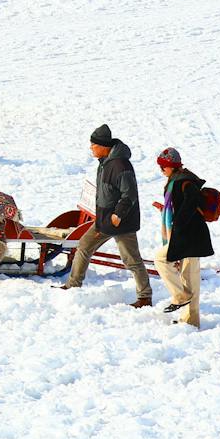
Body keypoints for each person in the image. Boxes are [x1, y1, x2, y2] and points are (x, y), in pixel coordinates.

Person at [61, 124, 152, 307]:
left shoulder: (120, 165)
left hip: (121, 221)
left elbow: (129, 194)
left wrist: (118, 214)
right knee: (84, 246)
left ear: (103, 146)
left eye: (93, 145)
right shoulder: (105, 163)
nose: (91, 148)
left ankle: (145, 297)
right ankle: (72, 286)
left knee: (131, 260)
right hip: (104, 220)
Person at [150, 147, 215, 327]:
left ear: (172, 166)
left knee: (162, 260)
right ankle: (190, 320)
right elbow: (182, 205)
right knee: (189, 277)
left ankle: (181, 298)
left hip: (190, 235)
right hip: (187, 234)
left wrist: (179, 221)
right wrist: (166, 211)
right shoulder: (177, 180)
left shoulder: (184, 181)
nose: (161, 170)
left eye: (163, 166)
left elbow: (191, 201)